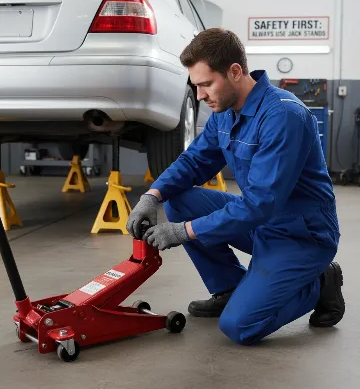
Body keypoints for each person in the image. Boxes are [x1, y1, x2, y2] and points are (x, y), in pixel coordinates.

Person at [126, 28, 345, 345]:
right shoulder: (224, 112)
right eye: (196, 86)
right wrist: (152, 195)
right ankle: (229, 288)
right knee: (178, 201)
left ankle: (320, 282)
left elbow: (260, 203)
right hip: (261, 224)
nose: (200, 95)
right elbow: (194, 162)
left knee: (240, 326)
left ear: (235, 71)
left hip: (300, 235)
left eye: (205, 84)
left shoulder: (284, 115)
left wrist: (183, 232)